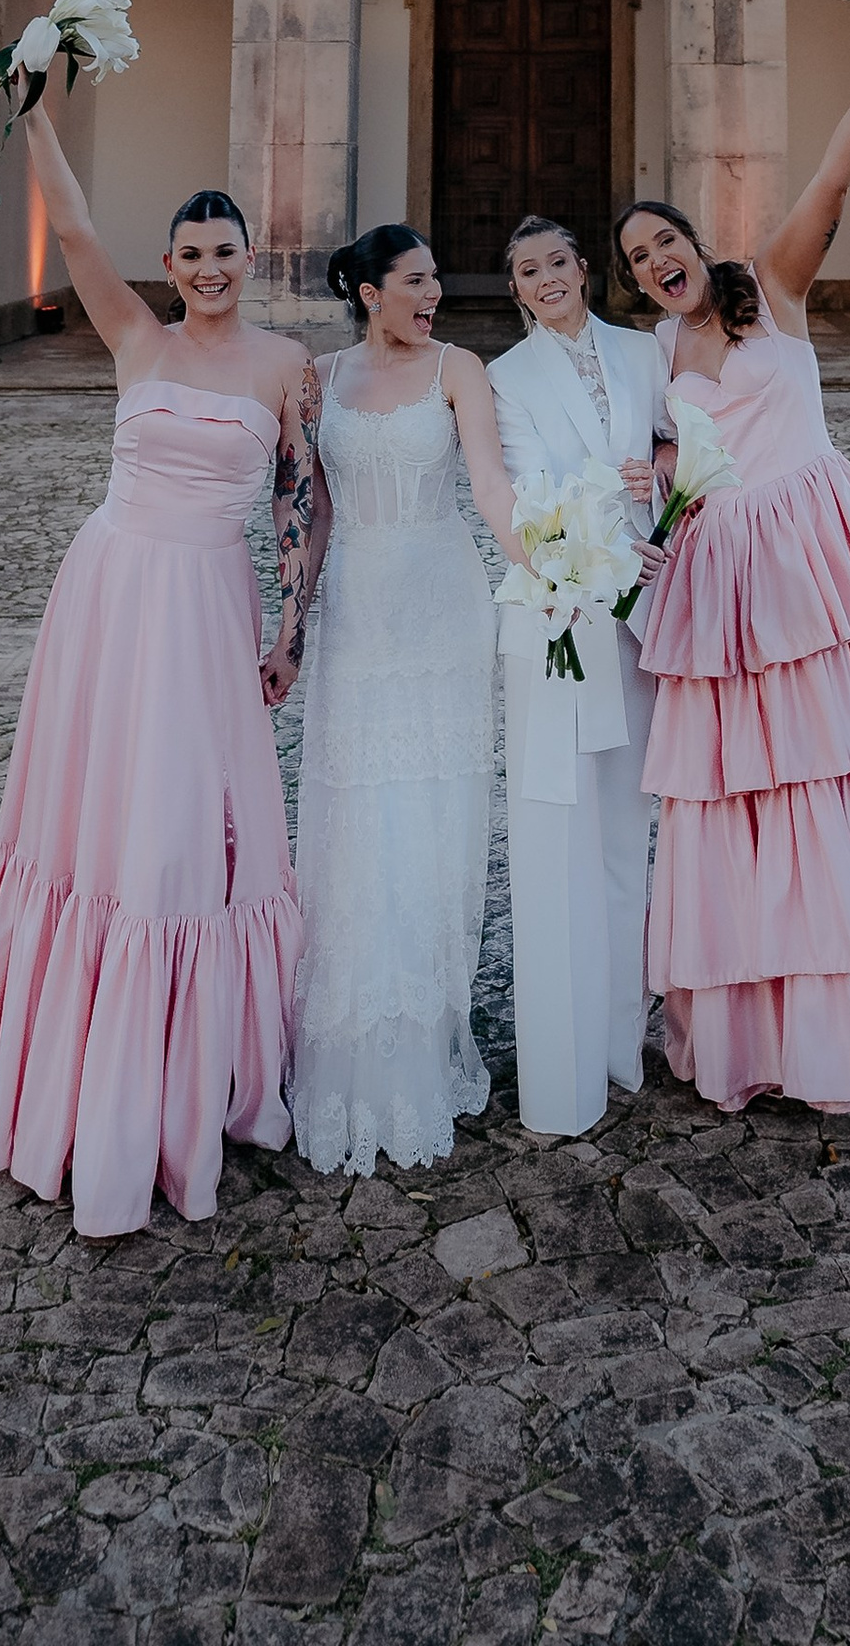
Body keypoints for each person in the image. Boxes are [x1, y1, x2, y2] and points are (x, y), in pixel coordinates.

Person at [0, 120, 314, 1237]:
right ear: (171, 265)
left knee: (189, 819)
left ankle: (190, 1068)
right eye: (189, 254)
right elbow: (77, 229)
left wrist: (292, 632)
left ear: (249, 258)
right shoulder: (134, 336)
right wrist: (35, 101)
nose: (207, 269)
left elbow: (298, 503)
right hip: (108, 594)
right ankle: (64, 1048)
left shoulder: (287, 368)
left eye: (223, 251)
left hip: (206, 603)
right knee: (94, 809)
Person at [616, 4, 850, 1116]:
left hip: (808, 565)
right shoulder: (656, 353)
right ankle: (746, 1023)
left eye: (664, 241)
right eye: (636, 259)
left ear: (694, 240)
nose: (655, 262)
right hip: (720, 584)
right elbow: (679, 470)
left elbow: (828, 185)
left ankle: (845, 1023)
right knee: (735, 804)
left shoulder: (768, 288)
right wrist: (652, 490)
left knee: (830, 784)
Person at [266, 225, 520, 1177]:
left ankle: (423, 1028)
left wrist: (546, 564)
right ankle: (349, 1034)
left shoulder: (461, 369)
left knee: (434, 814)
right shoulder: (319, 380)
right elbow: (312, 513)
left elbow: (489, 485)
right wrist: (289, 628)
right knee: (353, 814)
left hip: (444, 609)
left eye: (436, 278)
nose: (435, 294)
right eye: (416, 281)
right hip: (359, 616)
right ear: (369, 291)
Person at [487, 214, 669, 1137]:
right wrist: (617, 511)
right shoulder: (504, 380)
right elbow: (530, 492)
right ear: (514, 288)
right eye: (528, 270)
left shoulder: (643, 354)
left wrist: (658, 488)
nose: (547, 278)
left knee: (627, 828)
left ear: (585, 270)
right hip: (561, 612)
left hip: (641, 618)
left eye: (558, 261)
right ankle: (563, 1049)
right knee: (563, 827)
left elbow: (679, 460)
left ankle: (620, 1040)